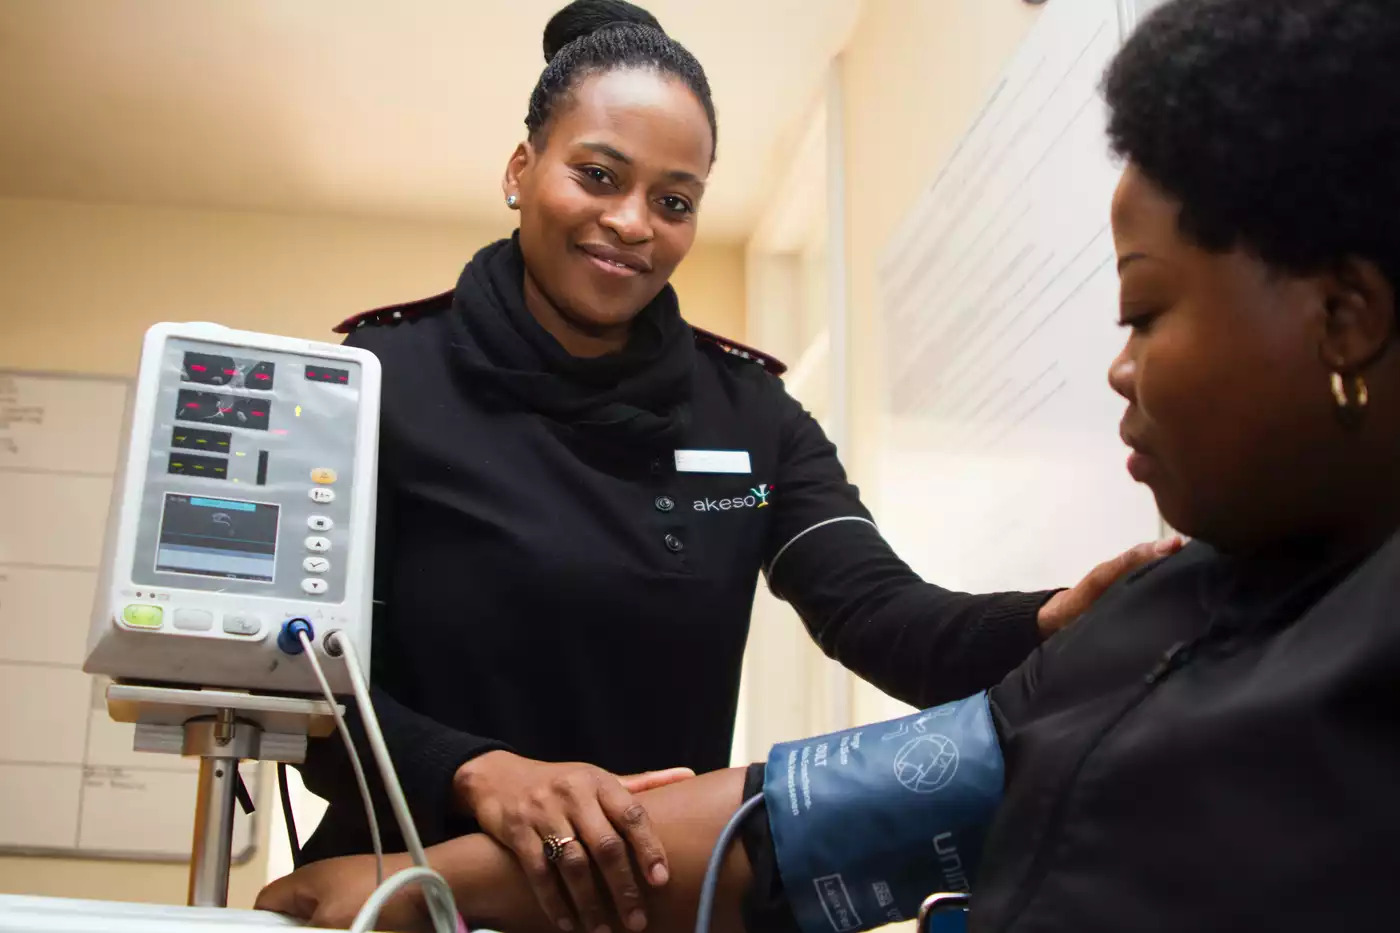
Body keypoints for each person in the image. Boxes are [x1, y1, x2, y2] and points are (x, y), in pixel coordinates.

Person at [260, 0, 1400, 930]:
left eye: (673, 200)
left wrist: (1044, 627)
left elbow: (878, 613)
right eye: (596, 177)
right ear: (521, 168)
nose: (629, 223)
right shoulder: (380, 386)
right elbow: (305, 681)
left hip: (640, 896)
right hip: (391, 872)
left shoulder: (742, 423)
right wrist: (479, 772)